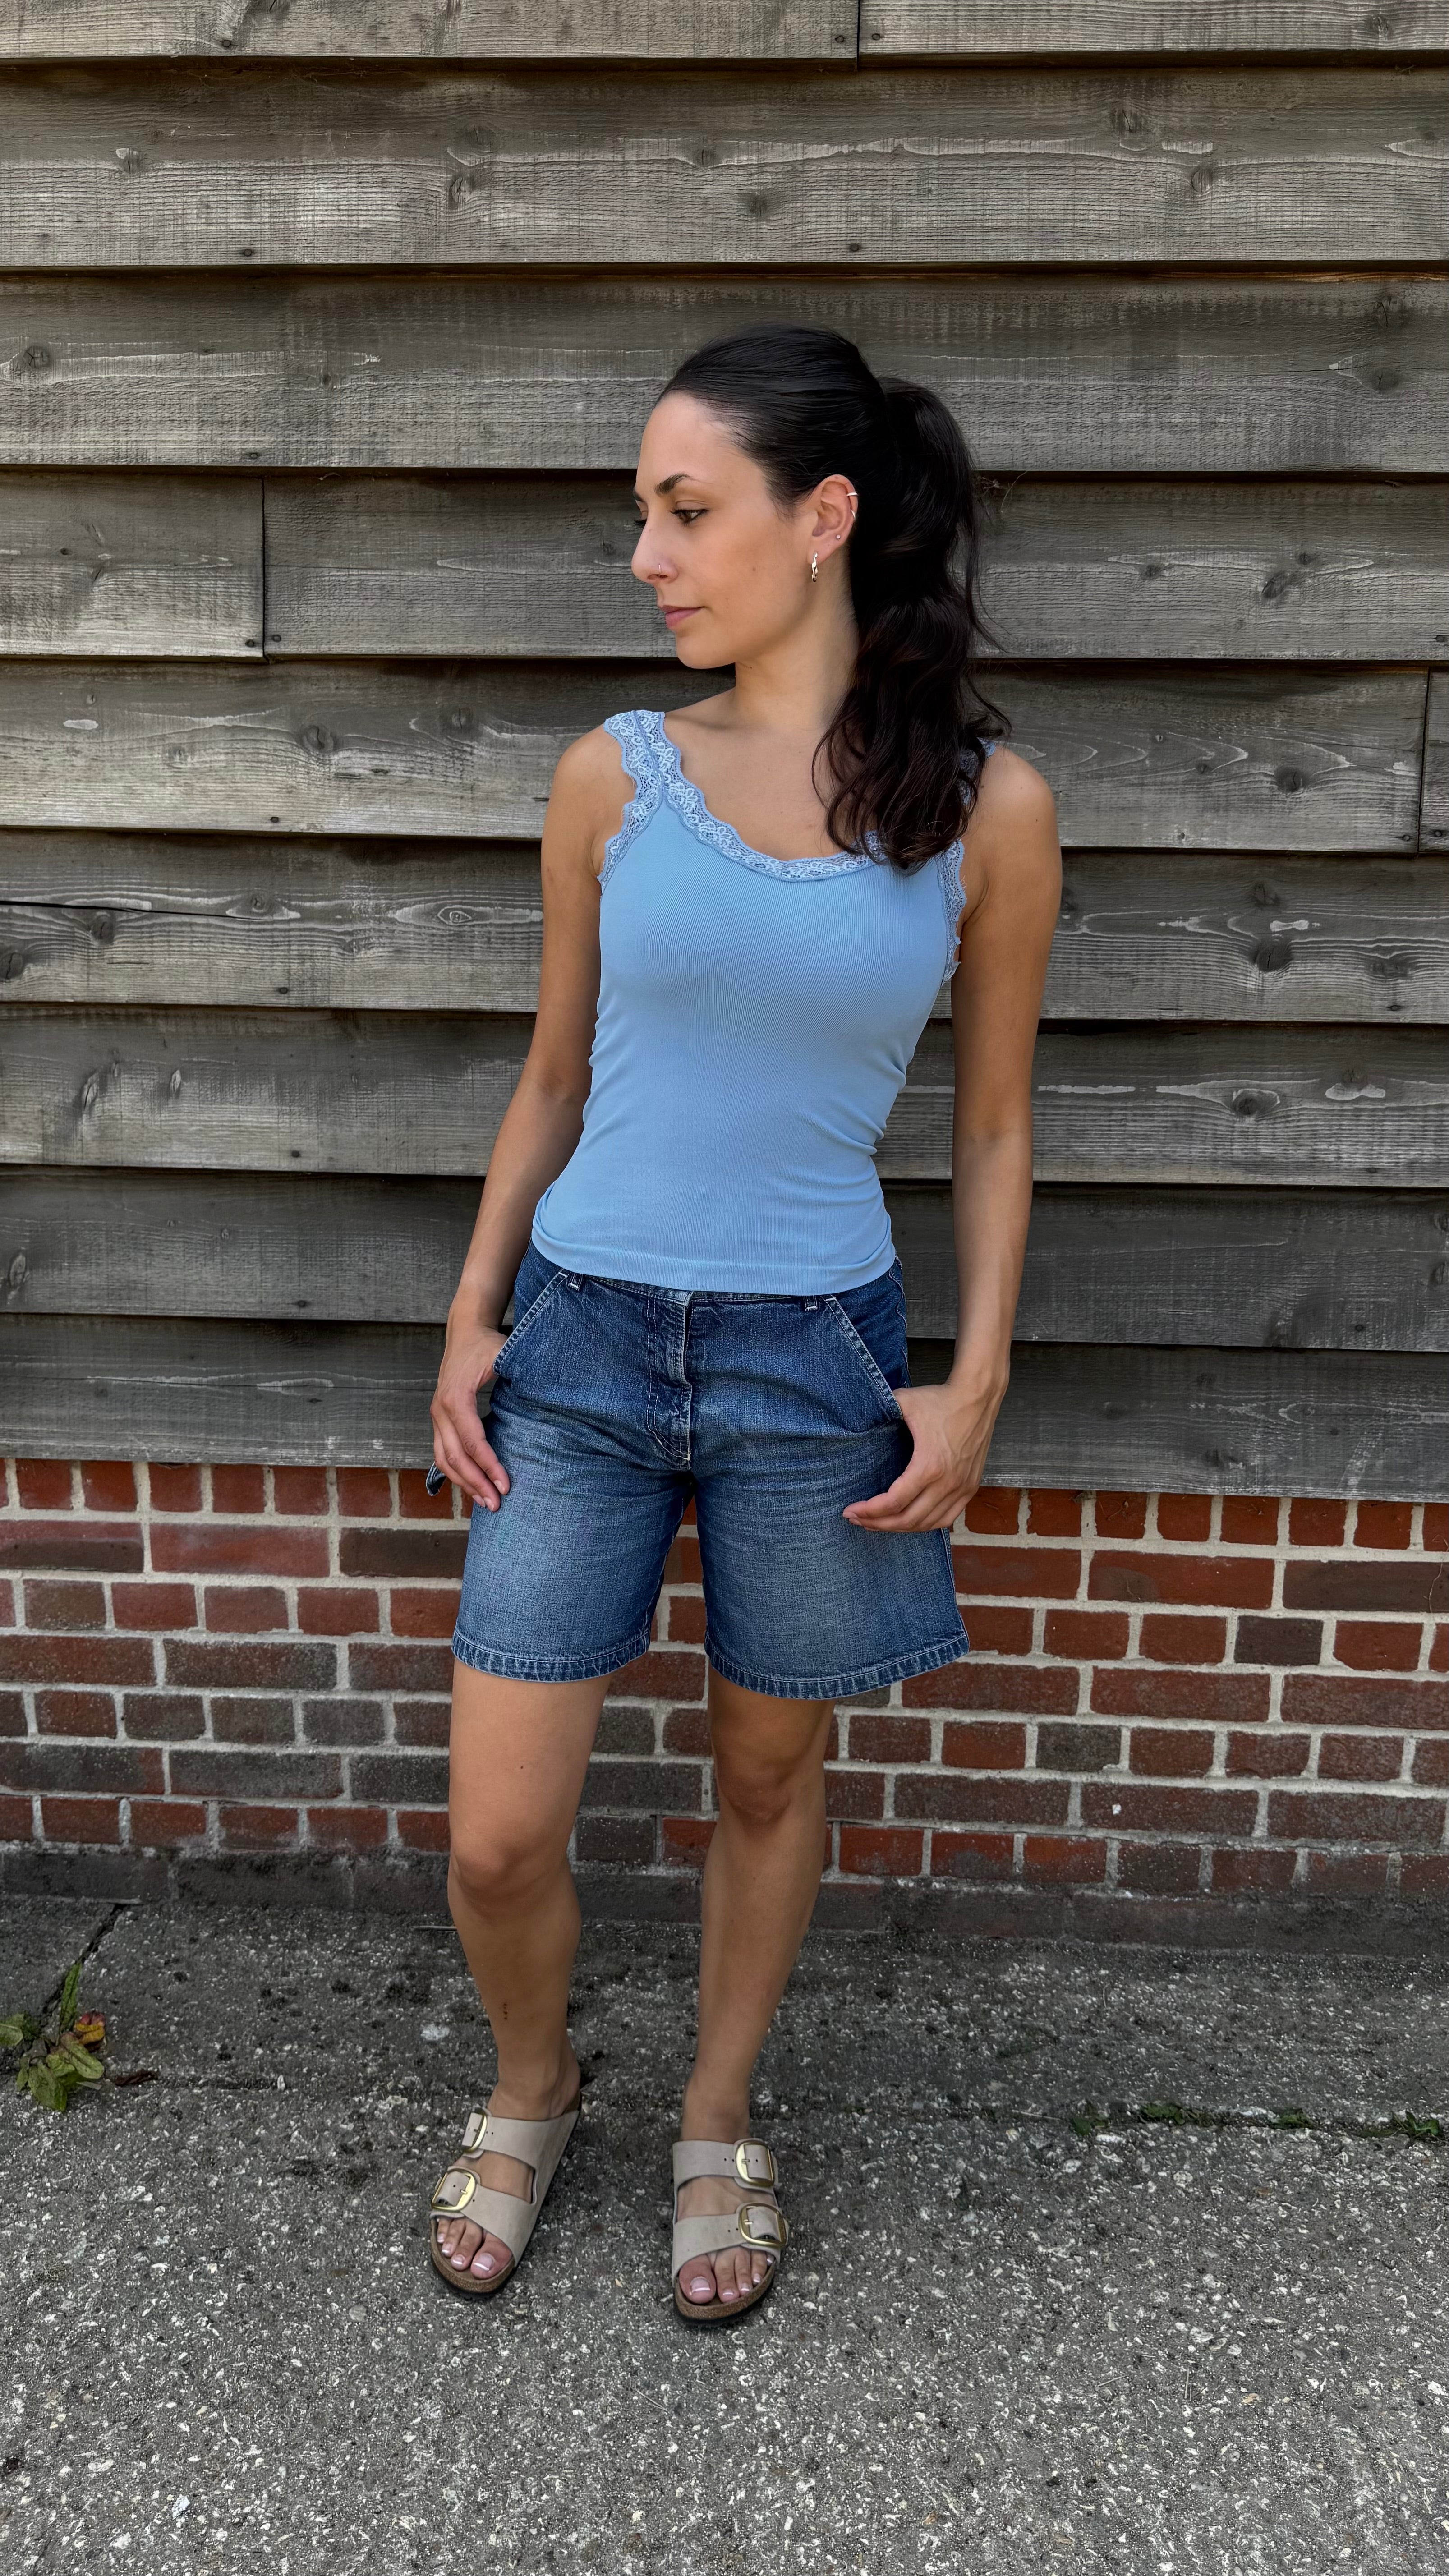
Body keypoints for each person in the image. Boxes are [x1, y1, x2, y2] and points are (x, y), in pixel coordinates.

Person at [424, 322, 1061, 2325]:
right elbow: (549, 1075)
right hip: (588, 1346)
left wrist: (976, 1374)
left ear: (825, 519)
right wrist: (469, 1317)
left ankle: (716, 2117)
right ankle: (538, 2084)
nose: (649, 554)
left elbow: (995, 1125)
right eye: (645, 513)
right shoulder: (612, 776)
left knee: (768, 1779)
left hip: (815, 1365)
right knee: (501, 1833)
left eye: (685, 510)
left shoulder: (983, 809)